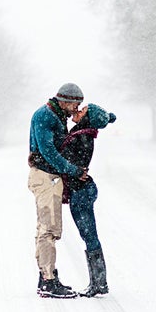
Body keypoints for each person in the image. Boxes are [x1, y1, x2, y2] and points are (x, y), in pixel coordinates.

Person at [28, 83, 88, 298]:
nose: (76, 108)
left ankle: (46, 275)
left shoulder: (55, 115)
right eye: (75, 104)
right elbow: (48, 151)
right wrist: (72, 170)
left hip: (49, 177)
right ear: (64, 101)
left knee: (47, 228)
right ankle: (48, 282)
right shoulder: (46, 116)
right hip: (45, 177)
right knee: (49, 229)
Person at [59, 103, 116, 297]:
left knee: (89, 236)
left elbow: (67, 163)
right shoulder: (81, 134)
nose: (77, 111)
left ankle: (99, 283)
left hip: (82, 192)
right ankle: (98, 282)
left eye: (82, 111)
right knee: (88, 235)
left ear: (87, 118)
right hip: (81, 191)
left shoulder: (82, 137)